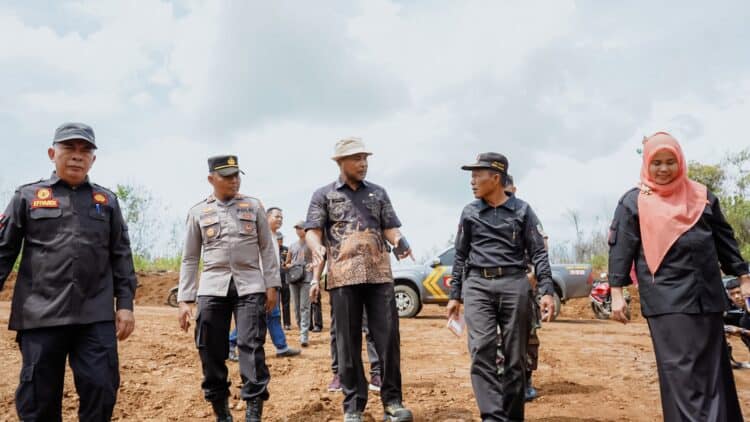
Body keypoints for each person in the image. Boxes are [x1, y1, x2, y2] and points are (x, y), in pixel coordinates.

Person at [607, 132, 750, 421]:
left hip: (707, 297)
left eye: (670, 161)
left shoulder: (702, 196)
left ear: (680, 161)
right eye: (656, 162)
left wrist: (744, 275)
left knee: (713, 371)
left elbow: (725, 241)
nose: (663, 169)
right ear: (647, 164)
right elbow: (621, 250)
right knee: (683, 372)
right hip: (667, 300)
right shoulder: (633, 202)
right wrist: (617, 293)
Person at [0, 122, 137, 421]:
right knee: (39, 399)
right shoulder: (27, 196)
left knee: (101, 388)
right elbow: (3, 251)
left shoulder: (107, 201)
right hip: (40, 316)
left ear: (93, 160)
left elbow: (122, 256)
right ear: (52, 153)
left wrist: (125, 305)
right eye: (69, 149)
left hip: (95, 315)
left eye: (85, 150)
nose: (77, 156)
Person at [305, 137, 414, 422]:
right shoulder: (323, 195)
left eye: (365, 158)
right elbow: (312, 230)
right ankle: (353, 404)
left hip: (379, 275)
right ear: (341, 163)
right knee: (347, 341)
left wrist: (400, 241)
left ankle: (393, 401)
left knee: (388, 338)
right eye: (356, 159)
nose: (363, 163)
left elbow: (390, 227)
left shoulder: (378, 193)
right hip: (342, 277)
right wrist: (316, 246)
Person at [447, 152, 556, 422]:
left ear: (495, 178)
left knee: (515, 357)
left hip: (514, 284)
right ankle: (493, 417)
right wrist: (455, 295)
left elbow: (539, 253)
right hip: (478, 286)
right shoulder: (470, 212)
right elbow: (460, 255)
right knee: (482, 348)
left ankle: (512, 416)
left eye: (477, 175)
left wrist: (547, 291)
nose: (472, 181)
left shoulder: (522, 210)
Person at [177, 155, 280, 421]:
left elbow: (267, 248)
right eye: (227, 176)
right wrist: (184, 299)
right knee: (209, 348)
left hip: (250, 286)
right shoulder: (198, 212)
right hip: (212, 287)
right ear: (212, 179)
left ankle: (253, 412)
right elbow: (190, 257)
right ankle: (221, 410)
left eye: (237, 175)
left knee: (251, 347)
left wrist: (273, 285)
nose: (234, 180)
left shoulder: (254, 206)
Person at [495, 174, 544, 403]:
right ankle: (502, 382)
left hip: (525, 286)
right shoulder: (485, 214)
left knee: (527, 337)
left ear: (513, 188)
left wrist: (534, 275)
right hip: (496, 288)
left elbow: (541, 246)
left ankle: (525, 381)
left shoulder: (524, 212)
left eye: (507, 189)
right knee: (497, 338)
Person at [265, 208, 302, 356]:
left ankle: (282, 347)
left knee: (273, 315)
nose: (280, 219)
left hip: (273, 283)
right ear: (267, 217)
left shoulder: (274, 237)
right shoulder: (263, 235)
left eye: (282, 217)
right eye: (276, 216)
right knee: (257, 317)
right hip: (264, 284)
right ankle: (231, 342)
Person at [286, 220, 314, 346]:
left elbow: (318, 259)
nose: (298, 230)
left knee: (304, 307)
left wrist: (312, 265)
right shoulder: (292, 245)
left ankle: (304, 335)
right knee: (296, 308)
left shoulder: (311, 244)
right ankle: (300, 328)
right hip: (293, 279)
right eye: (296, 228)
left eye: (300, 228)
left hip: (306, 278)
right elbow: (287, 262)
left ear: (306, 229)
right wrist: (290, 265)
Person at [724, 277, 750, 368]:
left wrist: (741, 331)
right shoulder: (744, 320)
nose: (736, 297)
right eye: (732, 294)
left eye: (739, 292)